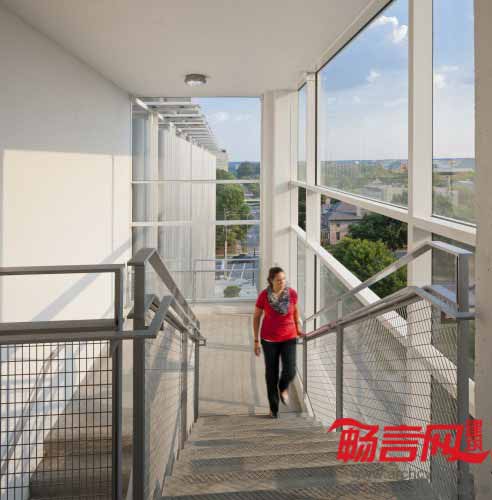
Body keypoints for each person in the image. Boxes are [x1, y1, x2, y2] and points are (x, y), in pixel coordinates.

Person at [253, 267, 304, 418]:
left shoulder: (292, 293)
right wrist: (256, 340)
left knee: (290, 370)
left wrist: (298, 327)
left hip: (289, 337)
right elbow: (256, 317)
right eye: (278, 280)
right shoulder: (264, 295)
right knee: (271, 374)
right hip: (269, 339)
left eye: (283, 279)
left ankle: (283, 388)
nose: (282, 282)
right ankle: (273, 409)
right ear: (271, 281)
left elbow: (295, 311)